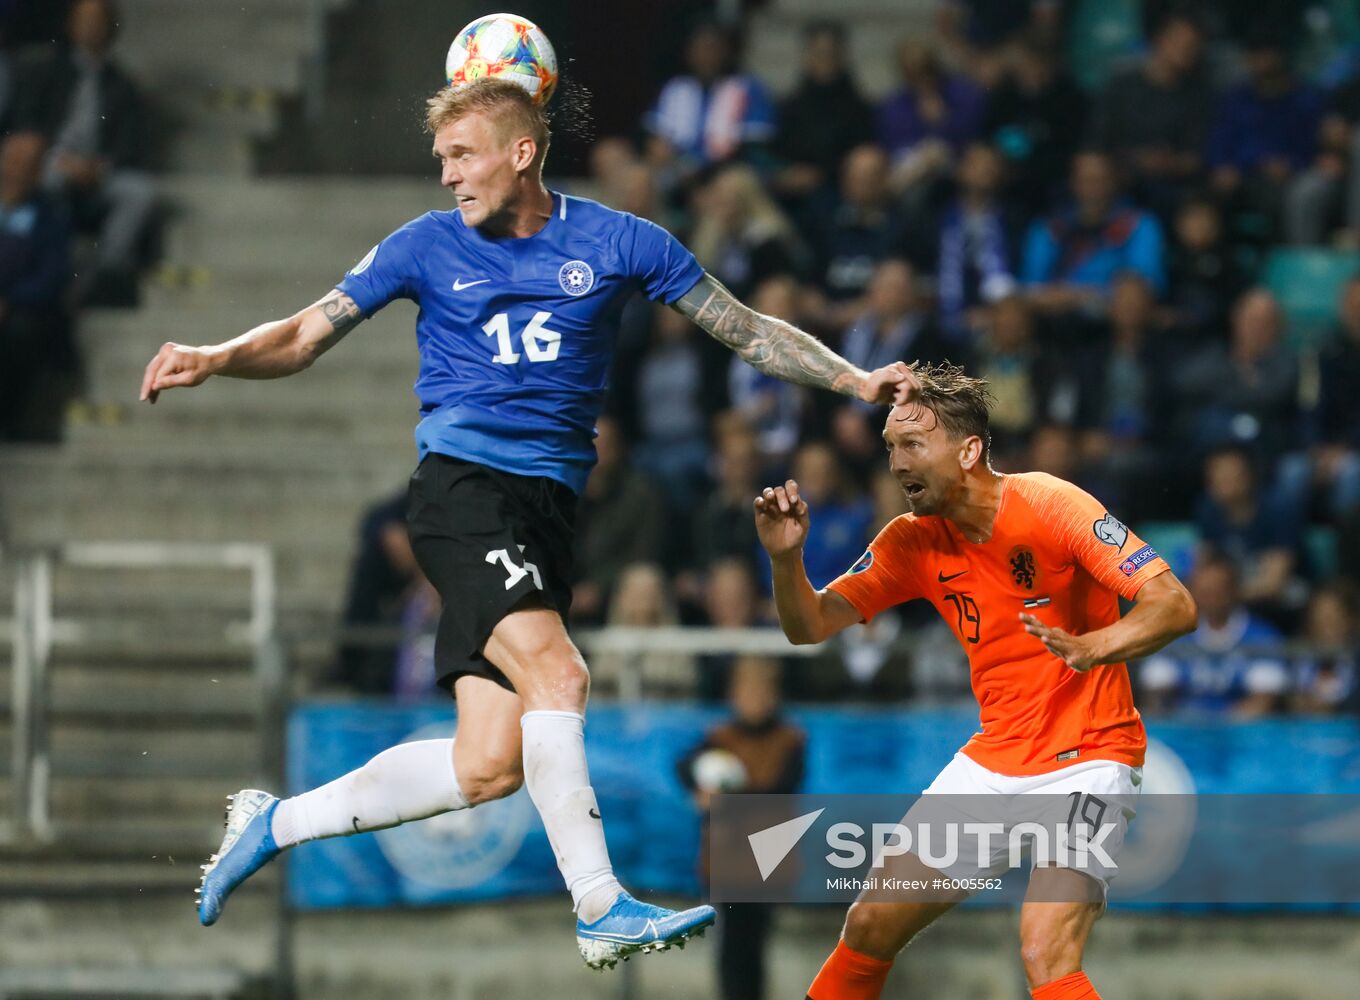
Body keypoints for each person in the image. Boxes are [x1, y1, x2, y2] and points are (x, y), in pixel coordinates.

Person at [140, 78, 920, 968]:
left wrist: (853, 380)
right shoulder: (422, 245)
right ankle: (599, 905)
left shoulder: (622, 241)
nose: (447, 177)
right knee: (561, 675)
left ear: (522, 153)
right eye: (441, 160)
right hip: (463, 493)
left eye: (461, 155)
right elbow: (304, 336)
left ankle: (274, 821)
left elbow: (744, 330)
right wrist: (217, 356)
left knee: (488, 765)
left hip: (546, 514)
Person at [752, 363, 1197, 1000]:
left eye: (912, 445)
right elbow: (811, 624)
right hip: (996, 761)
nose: (897, 463)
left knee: (1046, 950)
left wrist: (1092, 647)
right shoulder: (911, 541)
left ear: (968, 450)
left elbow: (1172, 604)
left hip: (1090, 756)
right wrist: (786, 559)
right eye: (889, 448)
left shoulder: (1051, 504)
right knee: (870, 922)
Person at [677, 656, 805, 1000]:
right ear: (734, 695)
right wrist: (701, 791)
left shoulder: (790, 740)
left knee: (753, 941)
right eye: (747, 691)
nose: (754, 699)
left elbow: (782, 791)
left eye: (762, 691)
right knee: (730, 945)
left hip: (765, 858)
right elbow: (684, 766)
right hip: (724, 856)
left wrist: (728, 799)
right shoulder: (719, 738)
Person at [12, 0, 154, 303]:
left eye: (98, 20)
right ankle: (55, 264)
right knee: (50, 180)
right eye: (84, 20)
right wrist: (56, 159)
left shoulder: (122, 84)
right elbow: (26, 124)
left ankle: (106, 271)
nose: (91, 27)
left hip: (99, 171)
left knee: (139, 192)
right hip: (49, 161)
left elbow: (131, 143)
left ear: (111, 27)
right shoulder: (46, 70)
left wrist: (99, 168)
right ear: (71, 25)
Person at [0, 130, 73, 441]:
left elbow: (52, 276)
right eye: (13, 160)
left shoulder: (49, 218)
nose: (17, 170)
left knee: (22, 333)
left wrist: (10, 302)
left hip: (19, 310)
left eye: (28, 164)